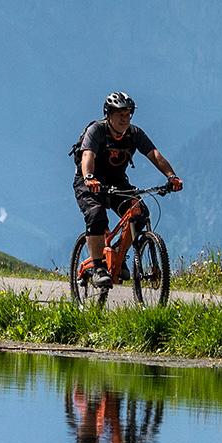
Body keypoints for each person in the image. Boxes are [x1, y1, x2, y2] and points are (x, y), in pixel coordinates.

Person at [72, 91, 182, 293]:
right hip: (88, 182)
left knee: (139, 213)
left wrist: (171, 176)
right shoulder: (97, 130)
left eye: (128, 114)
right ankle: (97, 268)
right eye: (120, 114)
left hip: (117, 182)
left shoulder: (134, 134)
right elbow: (88, 155)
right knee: (96, 216)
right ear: (108, 114)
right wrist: (89, 177)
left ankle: (117, 254)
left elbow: (154, 154)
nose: (125, 119)